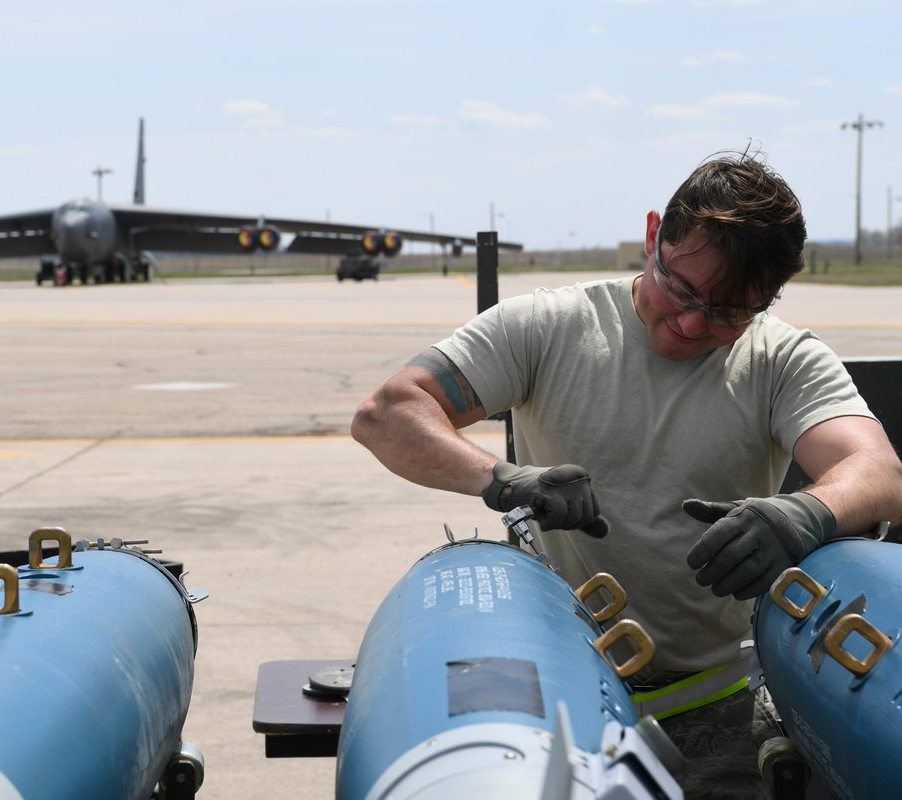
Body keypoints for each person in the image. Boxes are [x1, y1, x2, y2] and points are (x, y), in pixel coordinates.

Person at [350, 150, 902, 799]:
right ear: (651, 237)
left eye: (729, 311)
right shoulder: (552, 326)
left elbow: (879, 469)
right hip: (559, 702)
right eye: (682, 289)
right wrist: (504, 480)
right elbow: (388, 413)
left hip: (716, 711)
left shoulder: (781, 360)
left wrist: (808, 511)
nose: (694, 323)